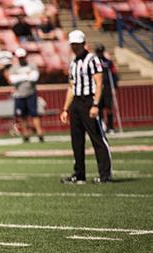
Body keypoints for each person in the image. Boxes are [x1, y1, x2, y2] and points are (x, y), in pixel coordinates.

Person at [60, 30, 112, 184]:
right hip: (76, 102)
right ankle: (79, 174)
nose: (75, 48)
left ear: (83, 44)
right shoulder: (73, 62)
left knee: (97, 138)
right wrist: (65, 109)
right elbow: (71, 87)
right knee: (77, 141)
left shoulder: (92, 60)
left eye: (77, 44)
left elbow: (99, 83)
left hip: (89, 101)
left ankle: (105, 174)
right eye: (73, 45)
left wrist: (95, 104)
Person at [7, 48, 44, 142]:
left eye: (23, 57)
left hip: (31, 93)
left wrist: (20, 77)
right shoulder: (14, 68)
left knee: (34, 114)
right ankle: (25, 134)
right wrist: (26, 76)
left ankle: (40, 133)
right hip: (19, 95)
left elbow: (34, 77)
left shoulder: (32, 65)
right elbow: (12, 79)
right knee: (22, 116)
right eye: (20, 57)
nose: (21, 59)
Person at [94, 44, 119, 134]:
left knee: (108, 107)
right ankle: (101, 126)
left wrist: (114, 87)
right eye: (98, 52)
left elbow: (114, 74)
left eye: (101, 51)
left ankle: (111, 127)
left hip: (107, 87)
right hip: (98, 88)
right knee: (99, 108)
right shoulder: (94, 62)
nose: (100, 53)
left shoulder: (108, 62)